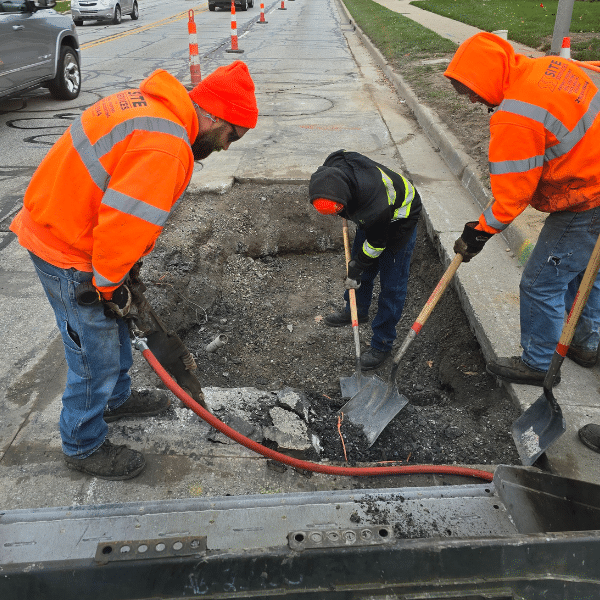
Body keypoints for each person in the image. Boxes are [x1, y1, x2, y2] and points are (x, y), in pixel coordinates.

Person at [9, 61, 259, 480]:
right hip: (69, 248)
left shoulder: (149, 107)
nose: (228, 146)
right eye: (232, 134)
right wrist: (109, 285)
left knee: (117, 328)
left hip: (69, 225)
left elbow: (117, 202)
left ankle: (117, 399)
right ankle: (82, 444)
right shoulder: (165, 144)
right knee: (94, 353)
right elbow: (123, 224)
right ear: (214, 115)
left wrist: (126, 276)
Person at [445, 32, 600, 387]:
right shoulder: (549, 66)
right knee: (586, 273)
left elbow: (511, 197)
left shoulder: (514, 117)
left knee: (540, 282)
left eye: (468, 90)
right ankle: (586, 344)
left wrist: (479, 233)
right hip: (595, 176)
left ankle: (539, 363)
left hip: (587, 198)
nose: (468, 100)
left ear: (486, 76)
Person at [308, 149, 422, 370]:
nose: (335, 216)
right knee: (363, 270)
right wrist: (358, 267)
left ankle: (382, 343)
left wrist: (357, 266)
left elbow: (377, 244)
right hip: (369, 211)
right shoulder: (332, 168)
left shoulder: (373, 208)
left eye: (337, 211)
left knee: (391, 285)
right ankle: (356, 310)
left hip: (400, 218)